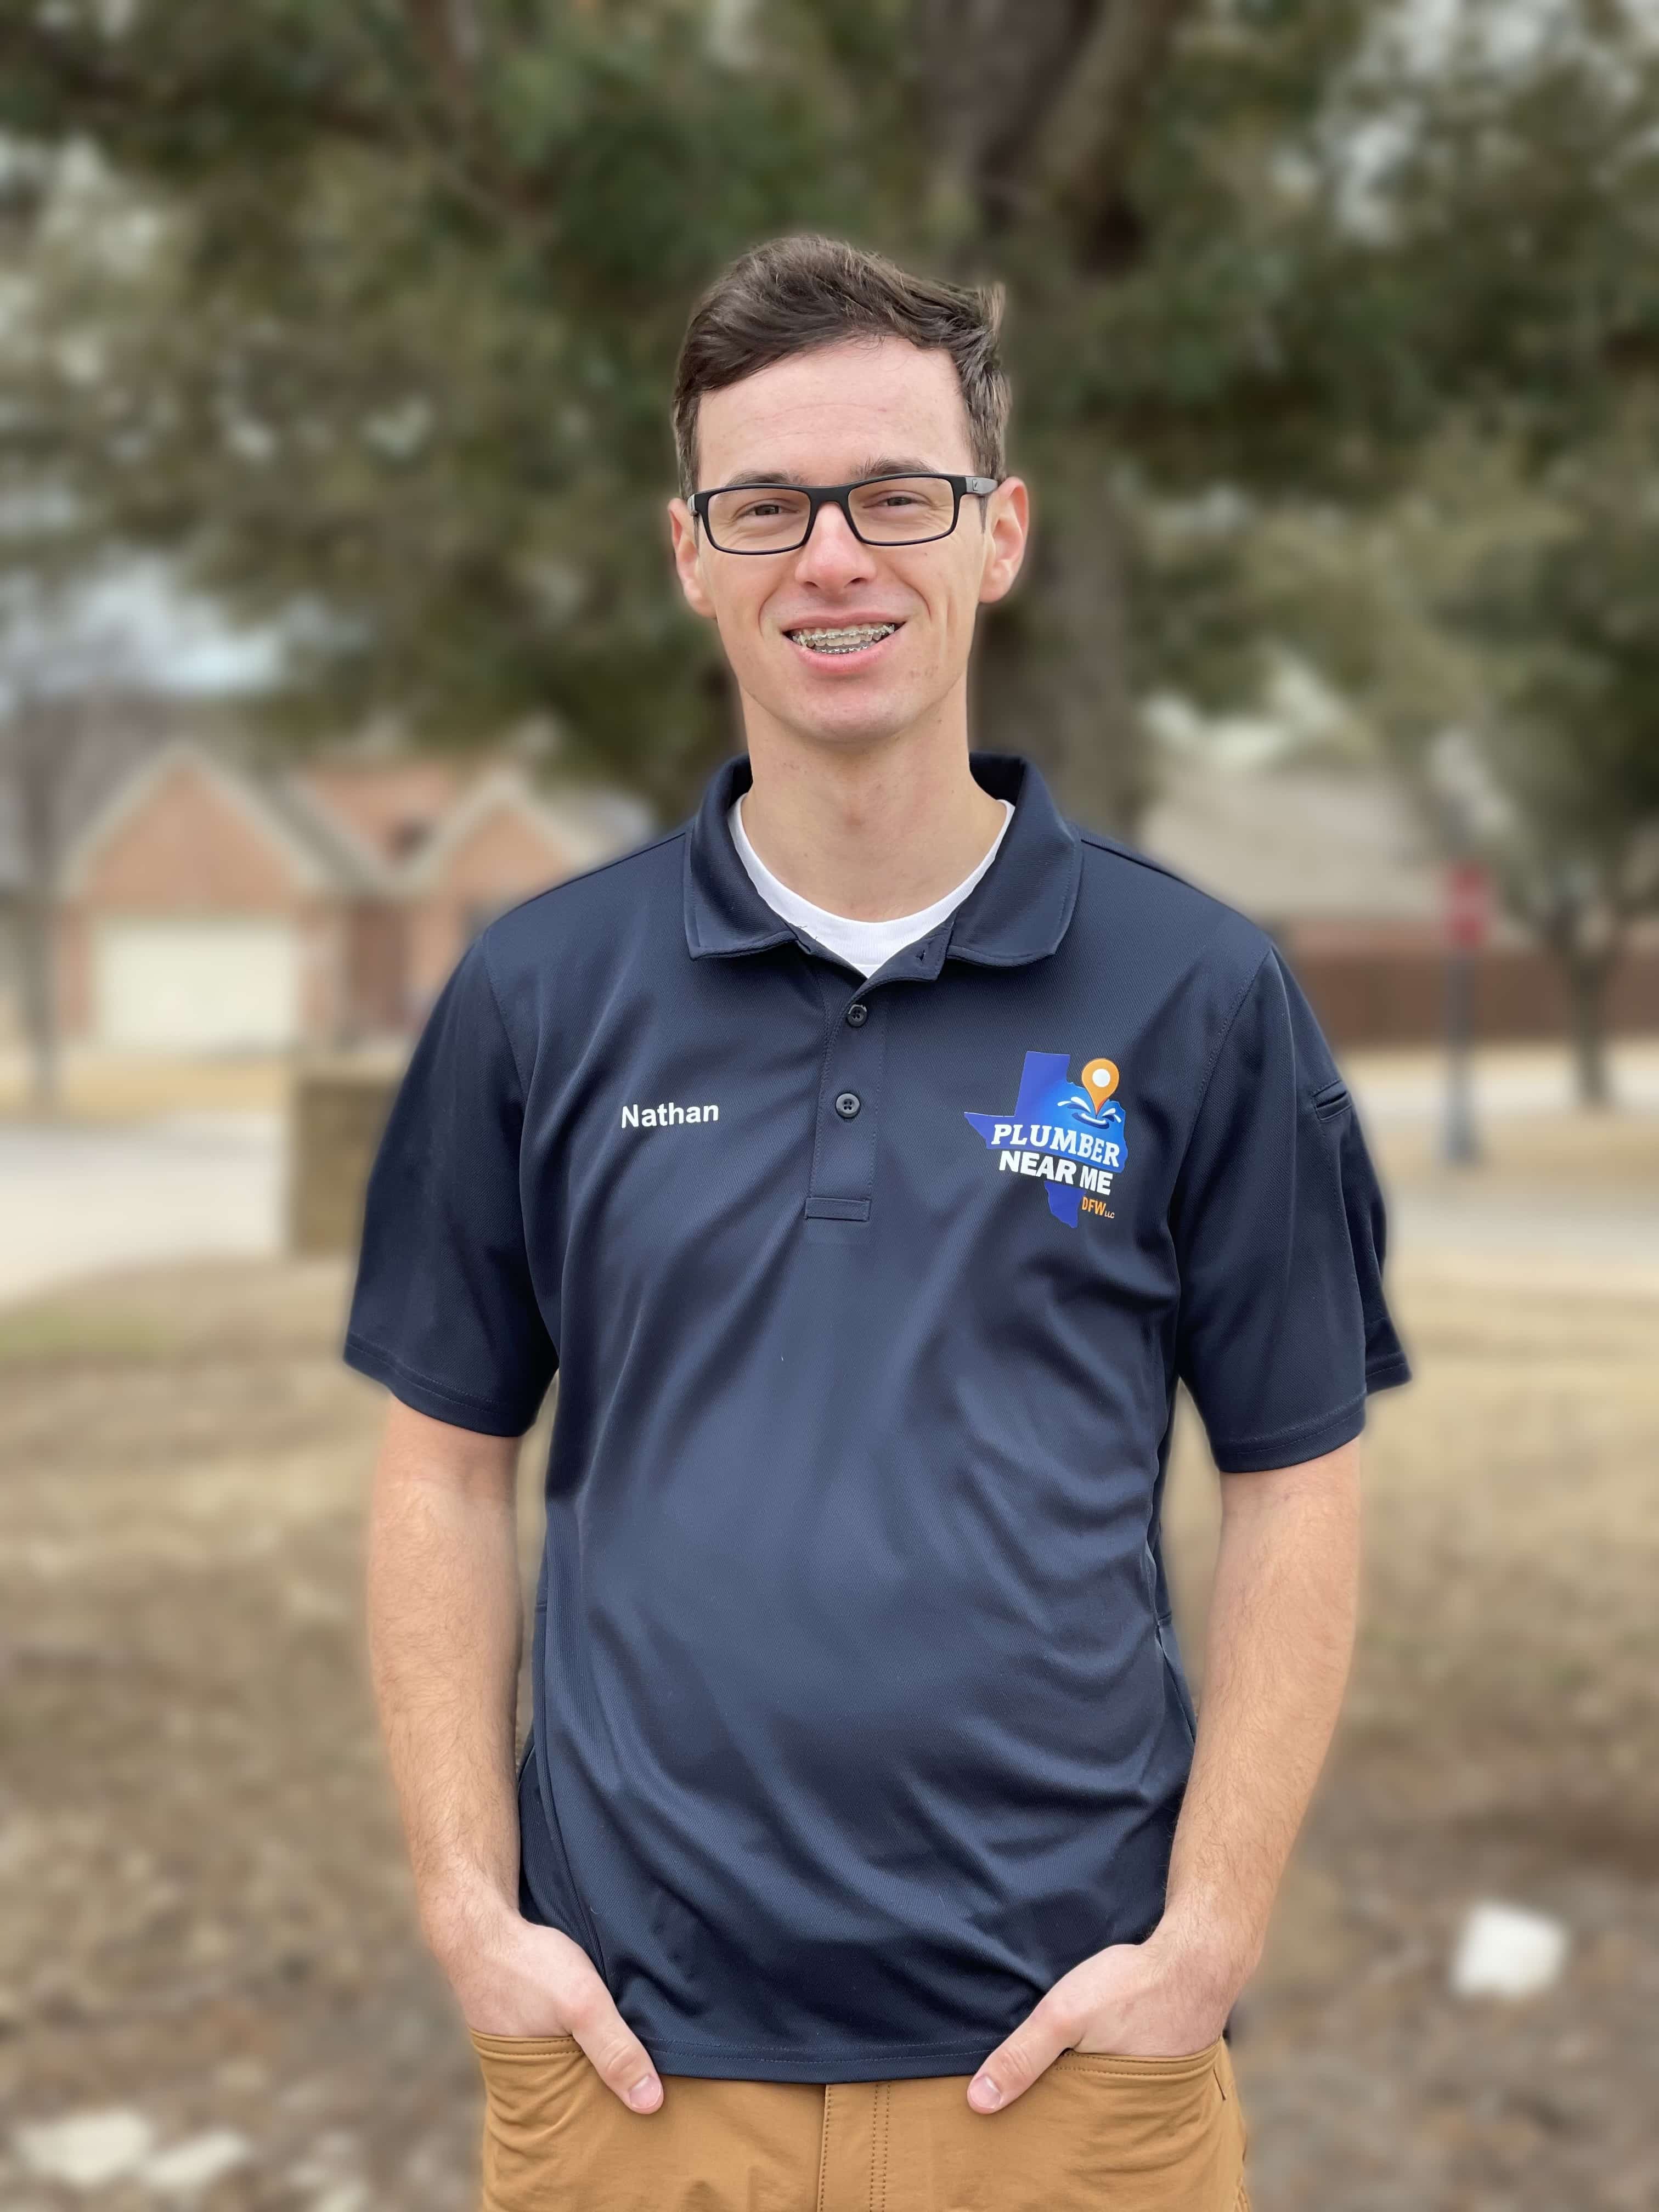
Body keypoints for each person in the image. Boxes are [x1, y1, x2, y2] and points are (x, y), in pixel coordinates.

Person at [344, 233, 1411, 2212]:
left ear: (998, 533)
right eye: (767, 506)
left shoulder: (1199, 994)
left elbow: (1296, 1478)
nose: (832, 557)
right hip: (633, 2073)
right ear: (691, 556)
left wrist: (1209, 1940)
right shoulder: (538, 996)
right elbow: (439, 1469)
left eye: (896, 497)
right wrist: (471, 1914)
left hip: (1068, 2073)